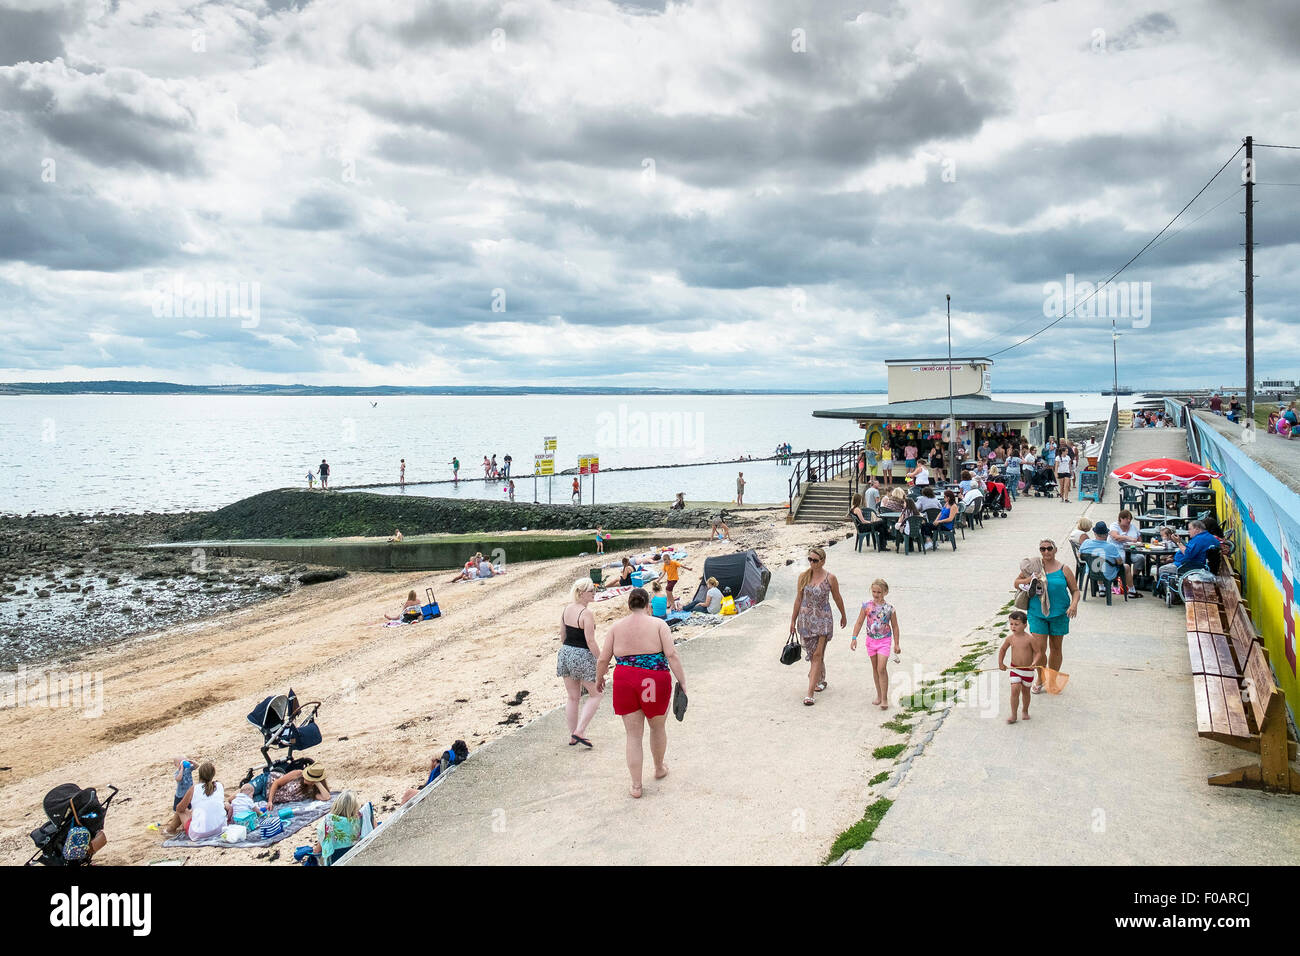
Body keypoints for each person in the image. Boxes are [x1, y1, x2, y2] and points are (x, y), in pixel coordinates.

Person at [595, 588, 686, 798]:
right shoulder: (659, 624)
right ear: (648, 605)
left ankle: (636, 786)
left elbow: (603, 659)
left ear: (629, 605)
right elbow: (671, 654)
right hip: (654, 679)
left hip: (625, 679)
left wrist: (599, 680)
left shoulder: (616, 627)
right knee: (657, 727)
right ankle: (659, 768)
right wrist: (682, 681)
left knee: (633, 736)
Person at [1013, 540, 1080, 695]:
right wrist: (1029, 580)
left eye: (1049, 548)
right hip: (1037, 614)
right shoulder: (1034, 567)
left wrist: (1074, 605)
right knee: (1039, 649)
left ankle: (1052, 679)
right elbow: (1016, 583)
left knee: (1056, 648)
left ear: (1055, 550)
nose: (1046, 552)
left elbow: (1075, 590)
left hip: (1060, 614)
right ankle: (1041, 678)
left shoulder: (1064, 569)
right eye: (1042, 549)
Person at [789, 546, 847, 706]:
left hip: (823, 620)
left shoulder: (830, 578)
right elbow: (798, 599)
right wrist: (792, 621)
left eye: (815, 560)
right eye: (810, 560)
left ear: (823, 561)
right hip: (806, 620)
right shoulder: (803, 577)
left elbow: (837, 597)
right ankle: (820, 679)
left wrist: (843, 614)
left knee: (816, 655)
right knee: (814, 654)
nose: (812, 563)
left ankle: (809, 694)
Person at [557, 578, 603, 748]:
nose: (594, 593)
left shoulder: (566, 609)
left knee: (572, 697)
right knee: (596, 694)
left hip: (565, 653)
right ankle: (580, 731)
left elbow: (562, 635)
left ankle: (573, 736)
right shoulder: (586, 613)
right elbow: (590, 641)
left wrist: (568, 653)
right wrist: (601, 660)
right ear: (581, 593)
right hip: (581, 654)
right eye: (591, 590)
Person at [850, 578, 900, 711]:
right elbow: (859, 622)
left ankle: (884, 698)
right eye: (874, 592)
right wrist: (854, 637)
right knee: (875, 668)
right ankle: (879, 694)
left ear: (885, 592)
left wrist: (896, 644)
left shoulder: (890, 609)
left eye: (879, 592)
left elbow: (895, 626)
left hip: (884, 640)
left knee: (881, 668)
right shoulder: (866, 606)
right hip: (871, 641)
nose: (876, 594)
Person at [165, 761, 225, 840]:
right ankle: (171, 829)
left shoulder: (194, 789)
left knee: (180, 810)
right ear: (213, 774)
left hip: (198, 833)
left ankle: (170, 830)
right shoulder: (220, 785)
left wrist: (189, 812)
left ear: (200, 775)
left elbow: (179, 809)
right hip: (220, 830)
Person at [1156, 519, 1219, 592]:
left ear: (1197, 529)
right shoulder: (1208, 537)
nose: (1188, 531)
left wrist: (1178, 543)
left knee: (1163, 569)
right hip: (1197, 564)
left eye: (1190, 529)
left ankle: (1171, 594)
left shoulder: (1199, 539)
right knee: (1167, 562)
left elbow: (1188, 554)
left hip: (1191, 566)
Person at [1080, 521, 1139, 597]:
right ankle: (1132, 590)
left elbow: (1080, 555)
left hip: (1091, 571)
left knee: (1098, 564)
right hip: (1107, 573)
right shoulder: (1110, 547)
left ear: (1095, 533)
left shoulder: (1086, 543)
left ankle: (1101, 588)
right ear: (1106, 535)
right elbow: (1120, 562)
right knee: (1126, 567)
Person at [997, 610, 1037, 724]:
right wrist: (1001, 663)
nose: (1013, 627)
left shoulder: (1030, 639)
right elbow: (1003, 649)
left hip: (1028, 670)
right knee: (1015, 689)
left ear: (1025, 625)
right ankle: (1014, 714)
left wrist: (1035, 662)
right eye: (1011, 624)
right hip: (1015, 669)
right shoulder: (1010, 638)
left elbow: (1038, 652)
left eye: (1016, 624)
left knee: (1025, 692)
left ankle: (1025, 710)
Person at [313, 791, 363, 866]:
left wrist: (314, 851)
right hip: (355, 854)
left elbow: (318, 850)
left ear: (336, 805)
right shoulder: (359, 819)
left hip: (335, 859)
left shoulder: (330, 822)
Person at [1108, 510, 1147, 589]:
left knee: (1140, 558)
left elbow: (1139, 539)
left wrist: (1138, 543)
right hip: (1117, 549)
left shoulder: (1133, 527)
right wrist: (1128, 537)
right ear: (1121, 519)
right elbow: (1115, 537)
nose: (1129, 521)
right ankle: (1118, 580)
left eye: (1130, 519)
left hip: (1132, 550)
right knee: (1121, 559)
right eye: (1127, 519)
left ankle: (1133, 579)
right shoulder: (1114, 526)